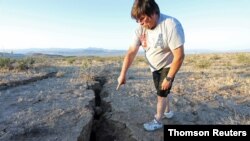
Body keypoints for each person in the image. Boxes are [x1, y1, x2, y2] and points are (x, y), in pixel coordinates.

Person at [117, 0, 185, 131]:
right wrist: (122, 74)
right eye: (137, 20)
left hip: (168, 64)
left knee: (161, 92)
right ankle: (168, 112)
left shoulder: (170, 25)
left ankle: (158, 120)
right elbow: (131, 52)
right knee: (163, 91)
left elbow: (179, 55)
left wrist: (169, 78)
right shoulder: (140, 30)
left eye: (142, 19)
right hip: (154, 67)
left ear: (153, 13)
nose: (140, 23)